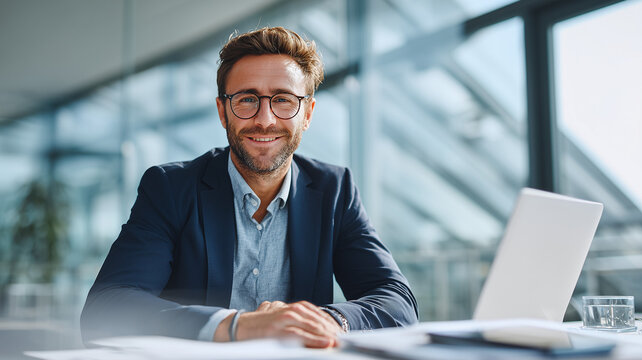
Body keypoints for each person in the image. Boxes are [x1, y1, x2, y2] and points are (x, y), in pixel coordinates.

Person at [81, 26, 417, 348]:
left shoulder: (334, 190)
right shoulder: (171, 188)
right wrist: (235, 326)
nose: (265, 119)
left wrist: (328, 321)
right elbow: (106, 309)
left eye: (284, 100)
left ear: (308, 113)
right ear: (223, 112)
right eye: (246, 100)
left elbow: (397, 301)